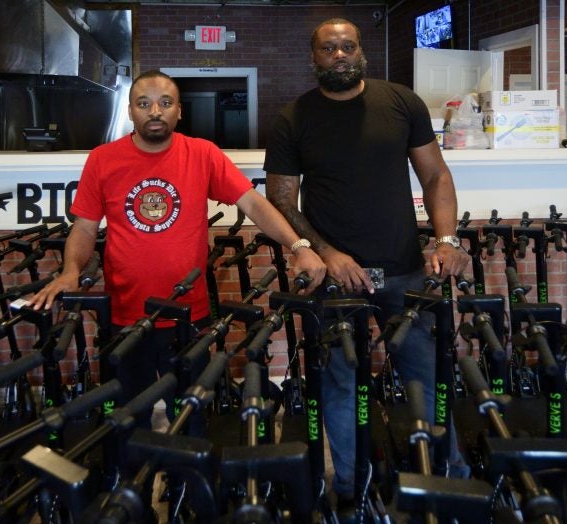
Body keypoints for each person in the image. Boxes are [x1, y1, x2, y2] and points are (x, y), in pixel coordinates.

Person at [29, 70, 326, 422]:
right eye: (144, 103)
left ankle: (182, 479)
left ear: (179, 111)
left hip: (188, 317)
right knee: (125, 422)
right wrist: (71, 271)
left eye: (165, 103)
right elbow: (84, 228)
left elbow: (255, 205)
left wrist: (299, 246)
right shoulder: (102, 160)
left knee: (191, 421)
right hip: (124, 318)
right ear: (130, 111)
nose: (155, 111)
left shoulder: (202, 154)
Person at [263, 18, 471, 509]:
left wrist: (446, 239)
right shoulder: (293, 118)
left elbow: (437, 176)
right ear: (313, 57)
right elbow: (281, 200)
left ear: (361, 52)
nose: (339, 55)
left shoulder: (401, 103)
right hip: (336, 281)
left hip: (403, 270)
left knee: (427, 377)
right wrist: (327, 253)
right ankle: (351, 490)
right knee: (340, 384)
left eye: (347, 46)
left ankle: (451, 478)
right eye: (328, 48)